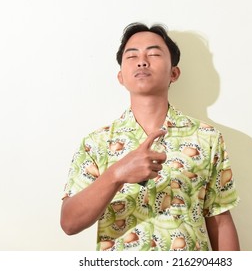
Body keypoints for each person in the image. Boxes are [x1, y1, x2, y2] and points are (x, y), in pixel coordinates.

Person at [60, 22, 240, 251]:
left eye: (154, 54)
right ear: (121, 77)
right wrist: (116, 174)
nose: (142, 61)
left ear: (174, 73)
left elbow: (220, 221)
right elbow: (69, 222)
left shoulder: (207, 138)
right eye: (132, 56)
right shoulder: (96, 143)